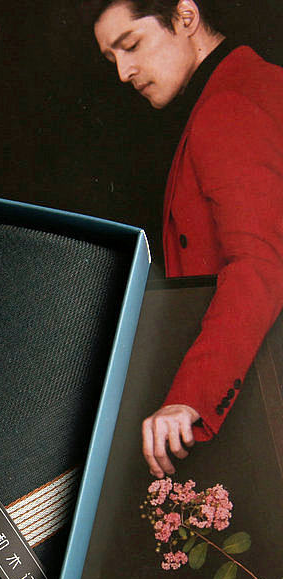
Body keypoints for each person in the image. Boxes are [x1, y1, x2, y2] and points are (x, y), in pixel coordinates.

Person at [89, 0, 283, 478]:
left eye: (131, 45)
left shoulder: (227, 106)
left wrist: (190, 396)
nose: (124, 73)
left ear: (186, 16)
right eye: (111, 58)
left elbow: (259, 263)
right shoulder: (261, 82)